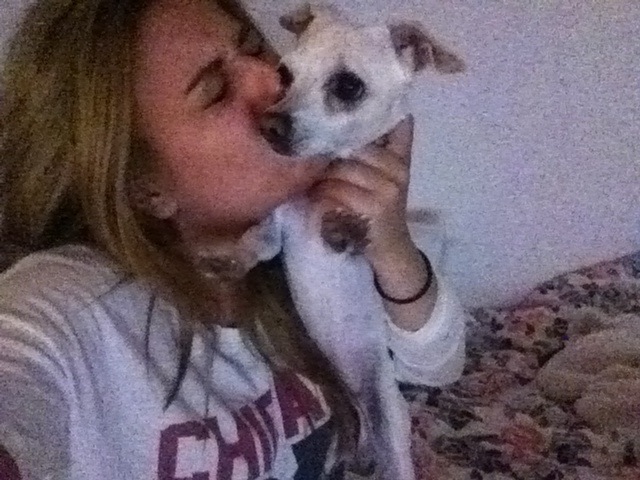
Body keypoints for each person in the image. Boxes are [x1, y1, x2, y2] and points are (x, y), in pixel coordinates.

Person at [0, 0, 467, 478]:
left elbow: (439, 366)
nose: (276, 83)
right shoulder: (76, 311)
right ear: (145, 185)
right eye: (216, 90)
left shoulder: (313, 220)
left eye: (257, 50)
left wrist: (393, 244)